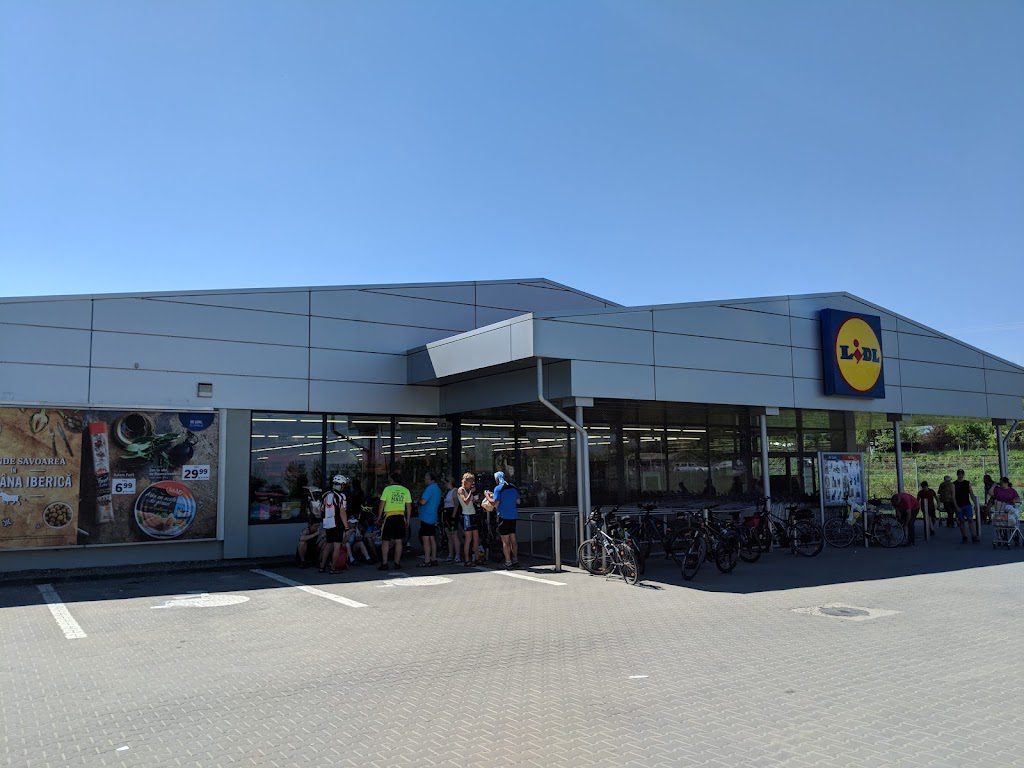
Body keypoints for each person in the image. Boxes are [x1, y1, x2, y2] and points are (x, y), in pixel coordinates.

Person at [377, 472, 412, 570]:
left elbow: (382, 504)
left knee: (385, 540)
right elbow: (409, 507)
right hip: (400, 516)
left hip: (389, 516)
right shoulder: (405, 490)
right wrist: (408, 519)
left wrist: (379, 517)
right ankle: (397, 563)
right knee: (398, 540)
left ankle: (384, 563)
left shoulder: (387, 489)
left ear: (392, 480)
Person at [486, 470, 520, 569]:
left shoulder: (498, 488)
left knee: (505, 541)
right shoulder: (513, 487)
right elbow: (518, 501)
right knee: (513, 539)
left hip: (503, 516)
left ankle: (508, 562)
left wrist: (487, 496)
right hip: (513, 516)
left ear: (496, 479)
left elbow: (495, 504)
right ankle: (515, 560)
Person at [320, 475, 350, 573]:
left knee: (328, 544)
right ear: (340, 485)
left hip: (328, 523)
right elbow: (342, 512)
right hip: (338, 524)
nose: (343, 487)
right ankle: (333, 568)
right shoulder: (341, 496)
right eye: (343, 485)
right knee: (337, 546)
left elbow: (321, 509)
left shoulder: (325, 495)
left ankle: (322, 567)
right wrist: (346, 527)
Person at [417, 472, 442, 567]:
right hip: (433, 516)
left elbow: (423, 501)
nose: (425, 480)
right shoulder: (437, 488)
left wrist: (418, 502)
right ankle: (434, 559)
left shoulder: (430, 488)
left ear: (431, 480)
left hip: (426, 516)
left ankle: (427, 560)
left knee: (426, 539)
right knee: (432, 538)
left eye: (426, 478)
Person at [457, 472, 480, 567]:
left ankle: (476, 558)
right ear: (465, 481)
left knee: (476, 538)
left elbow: (473, 501)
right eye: (470, 481)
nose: (472, 483)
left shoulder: (468, 490)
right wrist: (471, 492)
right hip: (466, 515)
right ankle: (467, 559)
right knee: (468, 539)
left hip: (473, 514)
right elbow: (465, 501)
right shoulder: (461, 490)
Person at [953, 469, 980, 544]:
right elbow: (953, 497)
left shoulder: (967, 483)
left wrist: (975, 504)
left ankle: (974, 536)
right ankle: (964, 536)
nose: (960, 475)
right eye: (959, 474)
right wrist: (956, 507)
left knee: (970, 519)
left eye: (962, 474)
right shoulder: (954, 484)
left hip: (967, 504)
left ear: (963, 475)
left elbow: (971, 494)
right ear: (957, 475)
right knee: (961, 521)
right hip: (959, 505)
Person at [442, 477, 461, 563]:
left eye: (446, 482)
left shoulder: (454, 490)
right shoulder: (447, 492)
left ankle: (457, 555)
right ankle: (450, 554)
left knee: (454, 535)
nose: (445, 484)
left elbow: (456, 504)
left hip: (452, 513)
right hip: (446, 513)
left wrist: (453, 516)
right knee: (449, 535)